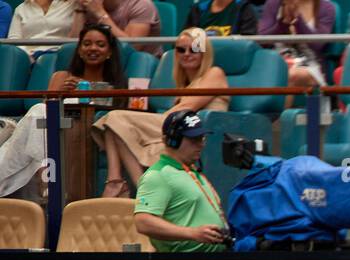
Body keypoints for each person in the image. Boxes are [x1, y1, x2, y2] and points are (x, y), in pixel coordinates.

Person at [94, 26, 230, 196]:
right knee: (113, 125)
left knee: (114, 117)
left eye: (194, 48)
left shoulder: (215, 73)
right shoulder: (185, 83)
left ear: (205, 52)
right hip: (178, 129)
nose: (187, 53)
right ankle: (117, 181)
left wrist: (151, 122)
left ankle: (137, 187)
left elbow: (187, 107)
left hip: (195, 130)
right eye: (181, 49)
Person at [0, 23, 126, 198]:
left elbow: (114, 113)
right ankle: (47, 184)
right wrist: (61, 95)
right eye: (87, 44)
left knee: (38, 115)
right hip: (48, 130)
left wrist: (89, 93)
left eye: (100, 44)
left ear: (109, 52)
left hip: (79, 133)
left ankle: (40, 182)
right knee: (39, 112)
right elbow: (48, 107)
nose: (93, 48)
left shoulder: (114, 87)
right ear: (80, 50)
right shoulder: (61, 77)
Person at [133, 108, 229, 252]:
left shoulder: (192, 171)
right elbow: (143, 222)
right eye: (193, 139)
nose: (201, 144)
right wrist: (193, 233)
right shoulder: (159, 175)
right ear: (171, 141)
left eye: (202, 138)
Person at [259, 0, 336, 92]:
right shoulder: (273, 3)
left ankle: (279, 107)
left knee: (289, 75)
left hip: (310, 64)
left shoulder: (326, 7)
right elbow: (261, 42)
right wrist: (282, 24)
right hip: (276, 60)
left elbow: (318, 45)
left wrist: (297, 20)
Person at [8, 0, 82, 58]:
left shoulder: (72, 4)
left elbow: (79, 37)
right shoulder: (21, 8)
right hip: (28, 56)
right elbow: (14, 39)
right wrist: (25, 56)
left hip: (60, 53)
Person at [184, 0, 261, 36]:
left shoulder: (244, 9)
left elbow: (246, 46)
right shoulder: (198, 8)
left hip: (233, 61)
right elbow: (189, 43)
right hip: (201, 62)